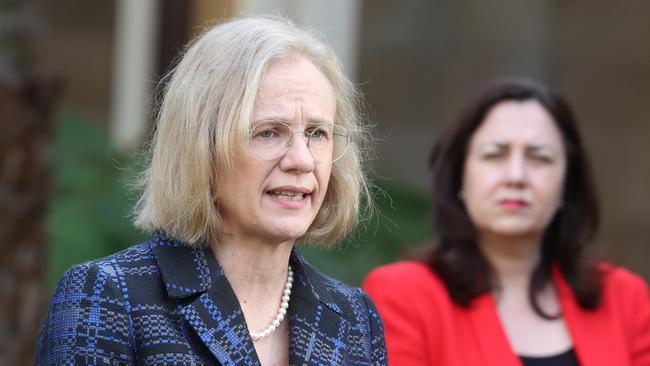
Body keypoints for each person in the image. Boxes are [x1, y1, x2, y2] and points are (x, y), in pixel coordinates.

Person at [36, 16, 387, 365]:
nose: (301, 160)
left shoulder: (354, 318)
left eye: (317, 133)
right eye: (268, 132)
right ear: (201, 146)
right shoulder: (107, 295)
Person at [363, 79, 650, 365]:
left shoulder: (624, 298)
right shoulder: (403, 295)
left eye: (539, 157)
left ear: (567, 183)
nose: (516, 176)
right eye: (495, 155)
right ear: (461, 176)